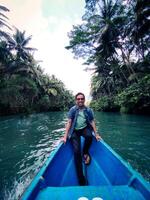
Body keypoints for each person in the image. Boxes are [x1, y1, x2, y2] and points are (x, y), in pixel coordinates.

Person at [62, 92, 102, 186]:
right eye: (78, 99)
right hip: (74, 131)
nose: (80, 100)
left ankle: (85, 152)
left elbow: (92, 121)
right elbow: (69, 122)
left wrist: (96, 134)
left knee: (89, 136)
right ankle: (81, 180)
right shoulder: (72, 110)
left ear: (84, 100)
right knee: (76, 152)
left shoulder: (88, 110)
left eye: (82, 99)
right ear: (76, 100)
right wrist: (65, 136)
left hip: (84, 128)